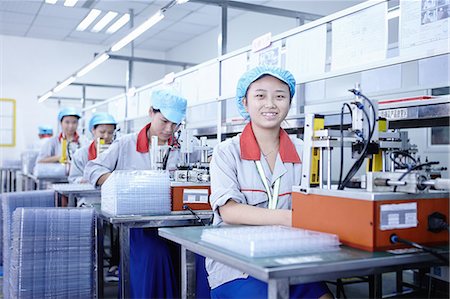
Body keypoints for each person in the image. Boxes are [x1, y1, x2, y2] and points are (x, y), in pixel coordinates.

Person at [206, 66, 333, 299]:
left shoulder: (305, 151)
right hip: (237, 262)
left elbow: (319, 203)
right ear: (245, 103)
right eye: (260, 95)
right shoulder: (227, 152)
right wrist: (292, 219)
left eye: (280, 96)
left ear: (289, 102)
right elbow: (230, 211)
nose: (270, 104)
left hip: (291, 257)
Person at [84, 89, 196, 298]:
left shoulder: (186, 146)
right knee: (156, 255)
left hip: (179, 223)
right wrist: (124, 184)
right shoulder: (126, 144)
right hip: (141, 226)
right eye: (164, 121)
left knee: (195, 257)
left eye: (175, 124)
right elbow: (92, 169)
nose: (169, 129)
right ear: (151, 112)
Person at [68, 112, 117, 184]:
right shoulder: (80, 155)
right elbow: (73, 179)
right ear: (93, 130)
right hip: (87, 194)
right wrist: (89, 179)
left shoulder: (117, 153)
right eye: (102, 132)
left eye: (110, 133)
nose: (106, 136)